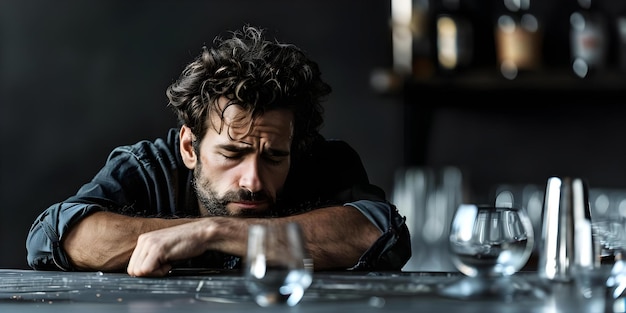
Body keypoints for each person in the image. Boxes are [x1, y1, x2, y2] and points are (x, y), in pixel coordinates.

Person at [26, 25, 411, 277]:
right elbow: (58, 234)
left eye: (274, 156)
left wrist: (210, 231)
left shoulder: (324, 161)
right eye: (231, 154)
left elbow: (380, 232)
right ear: (190, 146)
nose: (254, 180)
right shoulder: (147, 166)